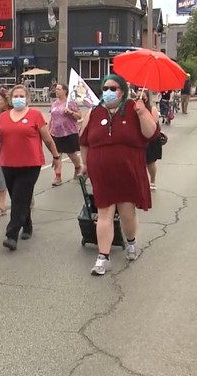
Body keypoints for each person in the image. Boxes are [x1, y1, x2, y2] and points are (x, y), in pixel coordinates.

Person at [78, 74, 159, 276]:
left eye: (113, 88)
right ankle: (103, 257)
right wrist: (85, 165)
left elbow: (151, 134)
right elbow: (84, 139)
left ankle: (131, 242)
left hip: (128, 169)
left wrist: (141, 114)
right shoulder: (95, 112)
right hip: (101, 171)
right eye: (105, 88)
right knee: (104, 212)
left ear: (122, 91)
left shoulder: (134, 108)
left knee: (126, 211)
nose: (108, 92)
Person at [0, 85, 61, 251]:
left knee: (19, 198)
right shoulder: (2, 117)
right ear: (10, 98)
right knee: (19, 198)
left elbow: (47, 139)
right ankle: (27, 225)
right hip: (8, 164)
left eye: (22, 96)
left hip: (30, 165)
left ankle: (11, 235)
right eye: (15, 96)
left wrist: (56, 156)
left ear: (27, 98)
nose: (18, 99)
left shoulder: (35, 115)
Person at [48, 83, 83, 186]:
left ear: (65, 91)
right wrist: (48, 130)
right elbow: (52, 118)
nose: (56, 91)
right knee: (57, 154)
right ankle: (58, 177)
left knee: (71, 153)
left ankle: (78, 167)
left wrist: (70, 112)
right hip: (56, 133)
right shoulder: (54, 104)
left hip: (69, 132)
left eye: (59, 89)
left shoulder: (71, 103)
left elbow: (79, 116)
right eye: (56, 89)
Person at [140, 91, 162, 190]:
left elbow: (154, 124)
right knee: (138, 162)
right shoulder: (135, 108)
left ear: (147, 98)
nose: (140, 99)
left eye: (143, 97)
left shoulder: (151, 109)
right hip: (139, 139)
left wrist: (143, 114)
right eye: (138, 96)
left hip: (151, 140)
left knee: (150, 162)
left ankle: (152, 180)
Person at [0, 89, 11, 217]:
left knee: (18, 180)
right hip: (0, 151)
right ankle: (1, 206)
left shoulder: (13, 113)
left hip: (15, 151)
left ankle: (27, 197)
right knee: (0, 179)